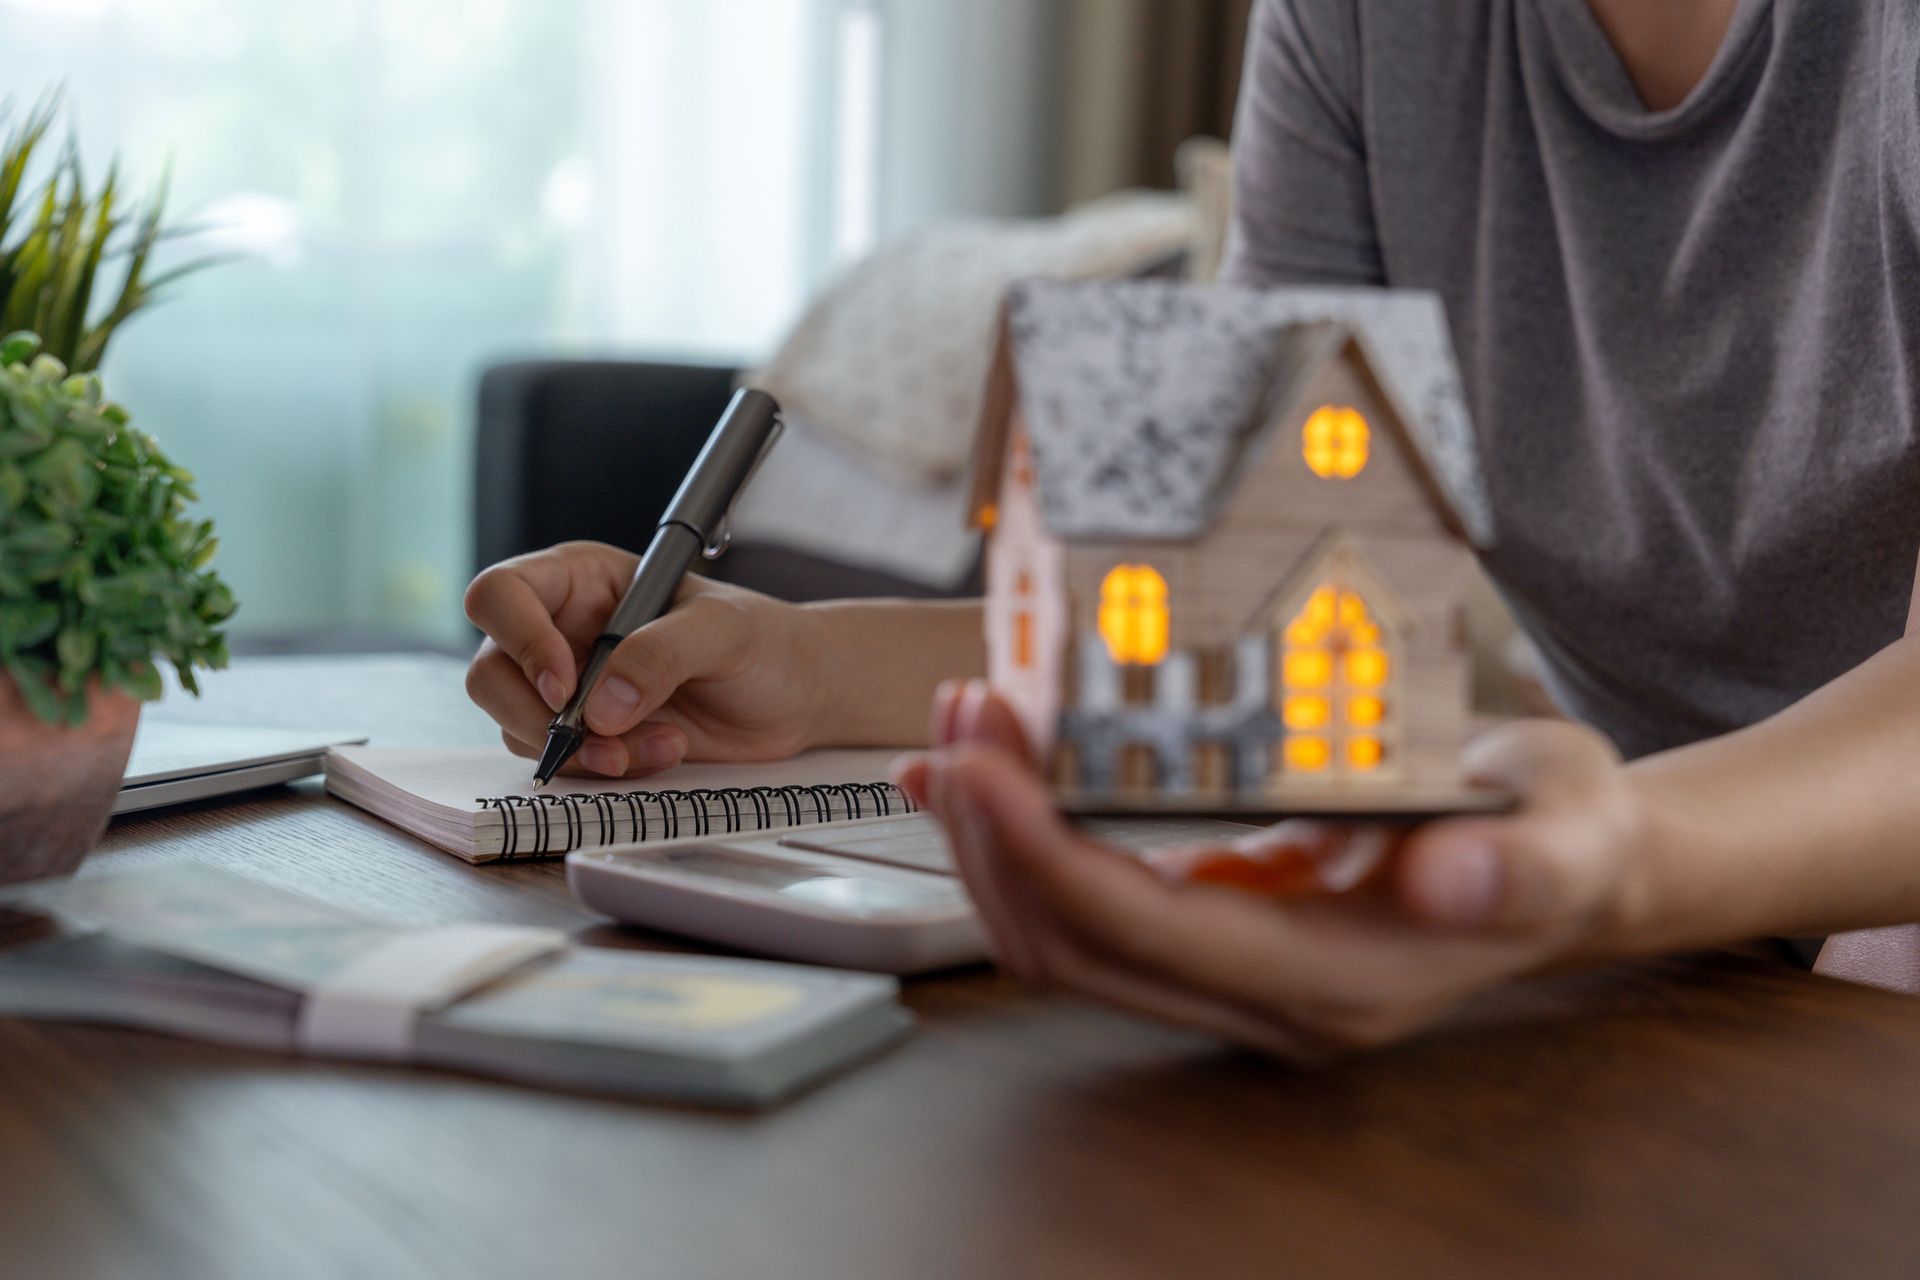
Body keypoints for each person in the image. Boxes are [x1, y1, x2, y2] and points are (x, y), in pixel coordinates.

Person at [466, 0, 1920, 1059]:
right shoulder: (1356, 29)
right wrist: (809, 666)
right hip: (1638, 886)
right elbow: (1263, 610)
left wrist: (1602, 865)